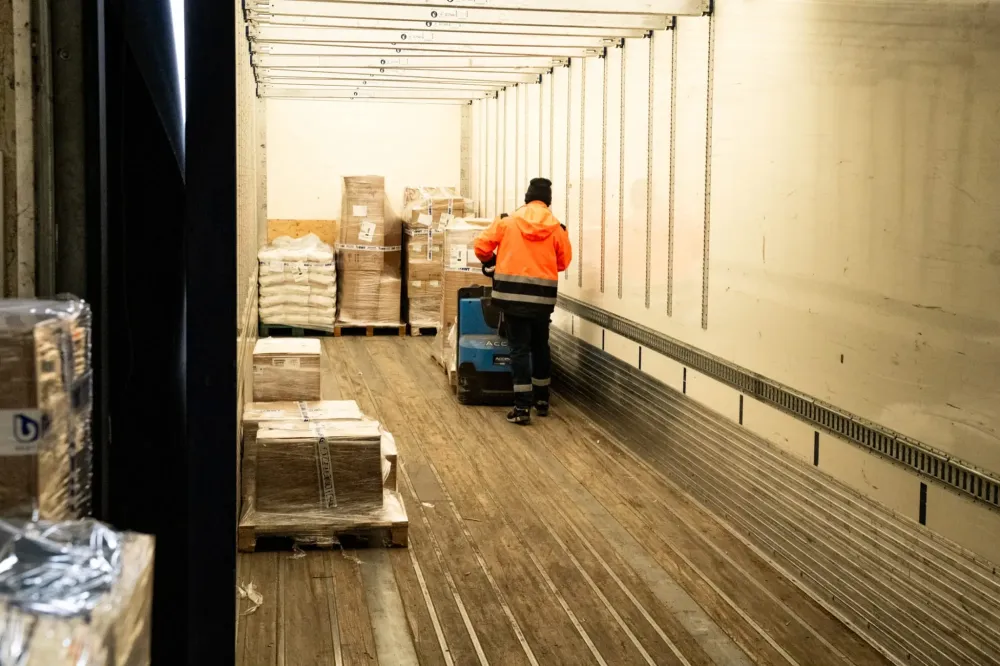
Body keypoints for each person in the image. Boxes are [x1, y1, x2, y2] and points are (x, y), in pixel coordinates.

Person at [474, 178, 572, 425]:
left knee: (518, 349)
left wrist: (491, 262)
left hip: (512, 298)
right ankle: (542, 400)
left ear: (527, 197)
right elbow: (563, 263)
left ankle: (521, 408)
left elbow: (481, 246)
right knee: (540, 346)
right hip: (541, 301)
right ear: (548, 201)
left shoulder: (508, 221)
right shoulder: (557, 229)